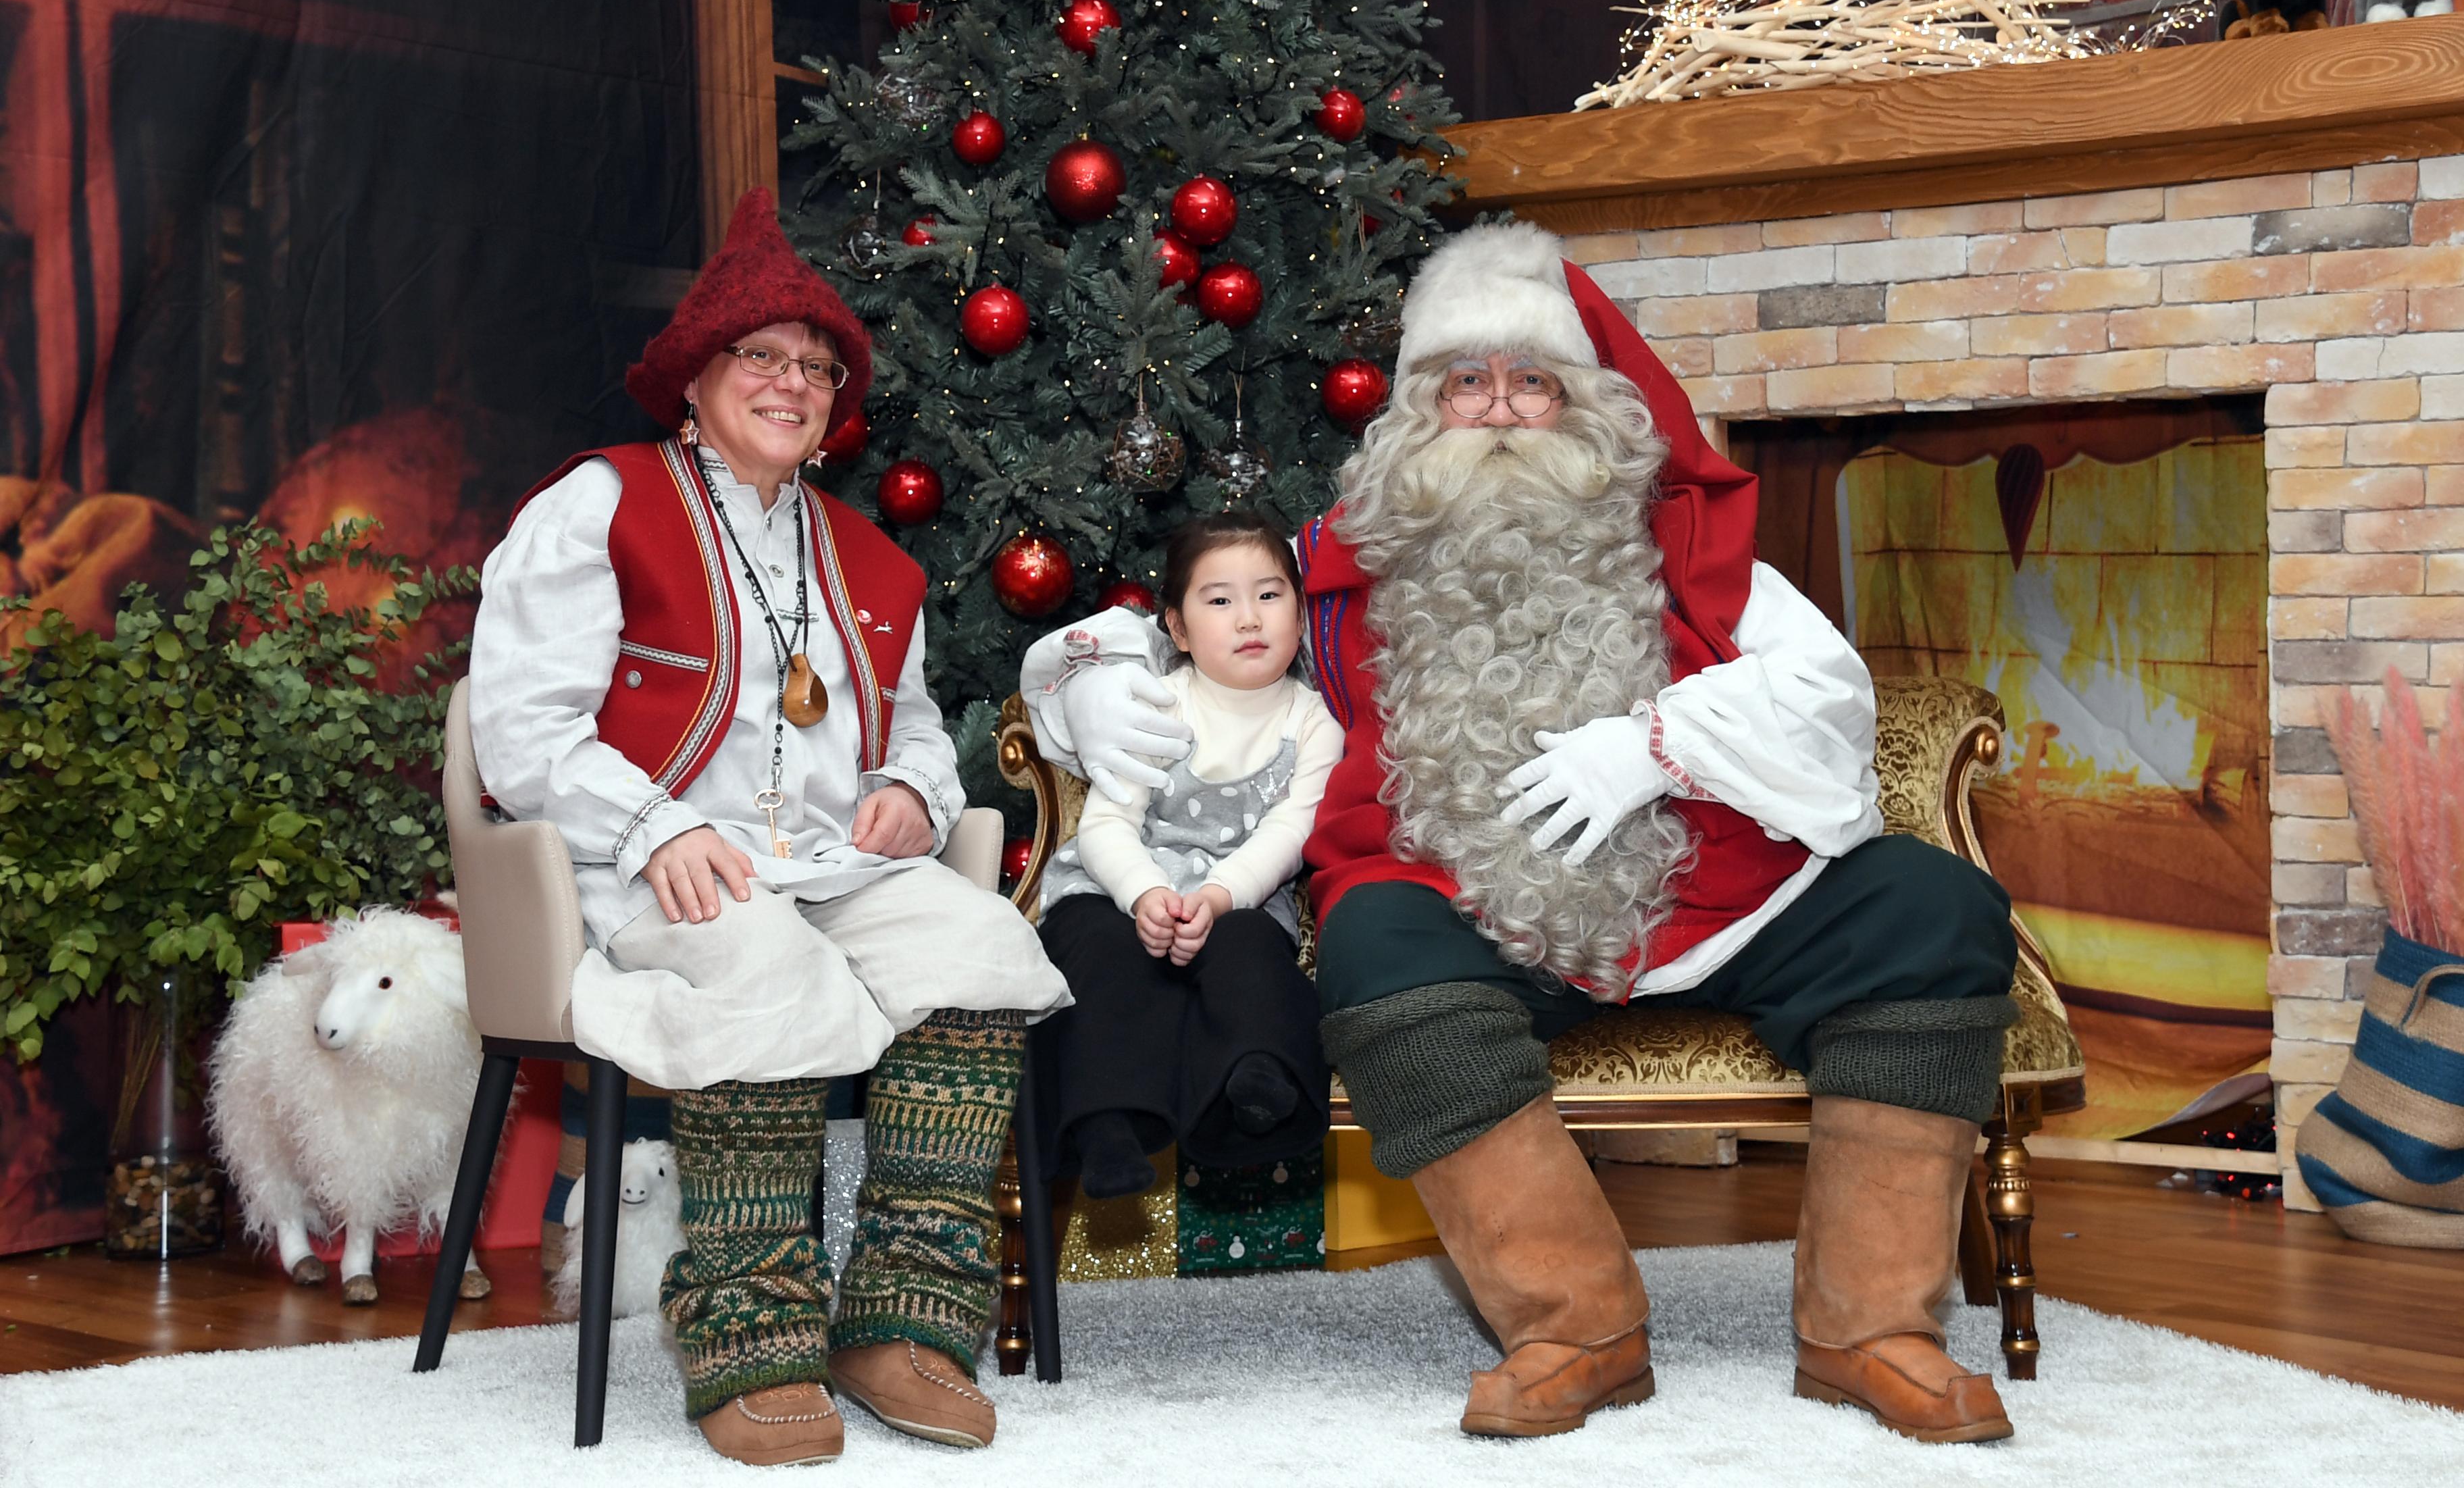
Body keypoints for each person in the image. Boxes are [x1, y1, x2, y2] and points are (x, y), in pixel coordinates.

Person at [1022, 222, 2020, 1445]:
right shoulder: (1333, 565)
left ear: (1585, 404)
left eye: (1530, 381)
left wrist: (1655, 746)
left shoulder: (1694, 548)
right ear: (1419, 411)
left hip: (1714, 896)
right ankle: (1574, 1325)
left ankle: (1870, 1330)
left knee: (1932, 907)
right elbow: (1139, 621)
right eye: (1465, 381)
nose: (1496, 411)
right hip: (1471, 906)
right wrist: (1093, 678)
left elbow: (1827, 695)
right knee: (1375, 938)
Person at [469, 189, 1069, 1468]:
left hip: (824, 864)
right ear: (695, 376)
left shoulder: (867, 557)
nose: (793, 383)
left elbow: (911, 729)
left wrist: (912, 792)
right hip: (635, 869)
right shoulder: (598, 505)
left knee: (975, 949)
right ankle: (747, 1329)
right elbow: (520, 732)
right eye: (763, 358)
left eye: (818, 366)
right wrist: (650, 824)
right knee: (756, 958)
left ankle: (903, 1322)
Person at [1033, 513, 1341, 1199]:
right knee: (1099, 950)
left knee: (1252, 954)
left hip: (1239, 892)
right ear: (1177, 628)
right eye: (1220, 600)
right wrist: (1144, 892)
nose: (1248, 619)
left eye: (1269, 595)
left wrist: (1220, 894)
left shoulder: (1312, 720)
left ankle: (1259, 1074)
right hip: (1123, 881)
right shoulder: (1156, 702)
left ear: (1300, 609)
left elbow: (1292, 830)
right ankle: (1105, 1120)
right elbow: (1109, 822)